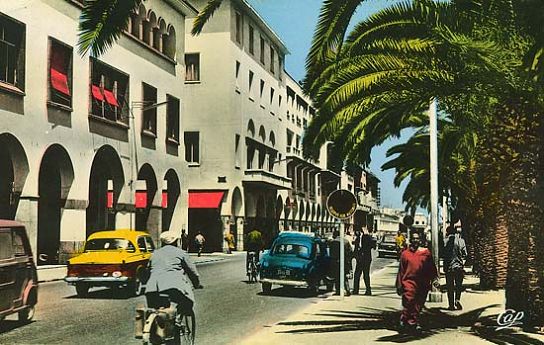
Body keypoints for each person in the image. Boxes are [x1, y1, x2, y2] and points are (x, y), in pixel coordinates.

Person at [145, 231, 202, 323]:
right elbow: (192, 272)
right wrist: (196, 284)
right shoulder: (181, 253)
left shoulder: (154, 254)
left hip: (152, 288)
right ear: (176, 242)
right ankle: (177, 320)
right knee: (187, 300)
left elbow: (147, 272)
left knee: (155, 309)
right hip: (174, 287)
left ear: (162, 242)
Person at [396, 231, 438, 333]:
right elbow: (401, 270)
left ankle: (410, 320)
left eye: (417, 238)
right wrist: (399, 285)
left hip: (422, 283)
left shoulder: (426, 253)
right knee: (409, 302)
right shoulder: (405, 254)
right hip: (408, 283)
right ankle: (409, 321)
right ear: (410, 240)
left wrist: (435, 279)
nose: (415, 240)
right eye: (413, 238)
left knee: (418, 304)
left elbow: (432, 268)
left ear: (420, 240)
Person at [443, 225, 467, 310]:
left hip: (449, 268)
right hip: (459, 267)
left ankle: (451, 305)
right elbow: (465, 254)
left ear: (447, 232)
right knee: (458, 285)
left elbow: (442, 254)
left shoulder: (445, 241)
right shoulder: (461, 241)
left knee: (450, 287)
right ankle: (457, 299)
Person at [352, 227, 376, 295]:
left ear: (360, 231)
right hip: (359, 260)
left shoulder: (367, 237)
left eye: (356, 231)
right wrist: (354, 256)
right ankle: (355, 290)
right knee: (356, 275)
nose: (355, 233)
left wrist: (361, 251)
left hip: (366, 259)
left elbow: (371, 246)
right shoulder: (357, 239)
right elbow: (356, 249)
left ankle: (368, 290)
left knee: (366, 275)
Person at [329, 230, 353, 296]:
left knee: (337, 277)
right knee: (344, 276)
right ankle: (347, 290)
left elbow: (331, 253)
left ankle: (338, 290)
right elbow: (350, 252)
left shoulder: (332, 242)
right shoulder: (346, 241)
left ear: (335, 235)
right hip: (345, 261)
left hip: (335, 262)